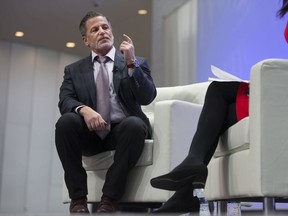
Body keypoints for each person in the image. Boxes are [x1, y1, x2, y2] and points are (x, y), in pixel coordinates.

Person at [150, 1, 288, 213]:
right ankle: (189, 178)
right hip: (280, 87)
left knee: (218, 101)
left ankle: (187, 185)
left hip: (281, 93)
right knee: (218, 91)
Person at [55, 11, 156, 214]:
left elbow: (147, 97)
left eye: (105, 27)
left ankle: (109, 200)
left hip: (123, 133)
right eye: (95, 29)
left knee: (135, 124)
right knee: (66, 122)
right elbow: (65, 101)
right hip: (91, 134)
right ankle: (78, 200)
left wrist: (130, 63)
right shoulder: (73, 70)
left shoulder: (136, 62)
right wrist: (84, 110)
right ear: (86, 40)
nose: (102, 32)